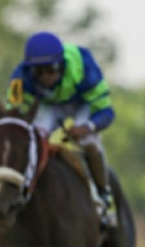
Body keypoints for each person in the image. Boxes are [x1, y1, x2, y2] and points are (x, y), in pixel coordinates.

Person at [6, 31, 117, 228]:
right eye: (38, 72)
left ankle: (103, 193)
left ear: (62, 64)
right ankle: (23, 189)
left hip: (80, 103)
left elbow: (107, 112)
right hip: (47, 106)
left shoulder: (84, 66)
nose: (45, 77)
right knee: (35, 140)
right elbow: (12, 111)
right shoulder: (19, 78)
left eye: (51, 69)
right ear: (29, 69)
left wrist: (87, 127)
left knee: (88, 143)